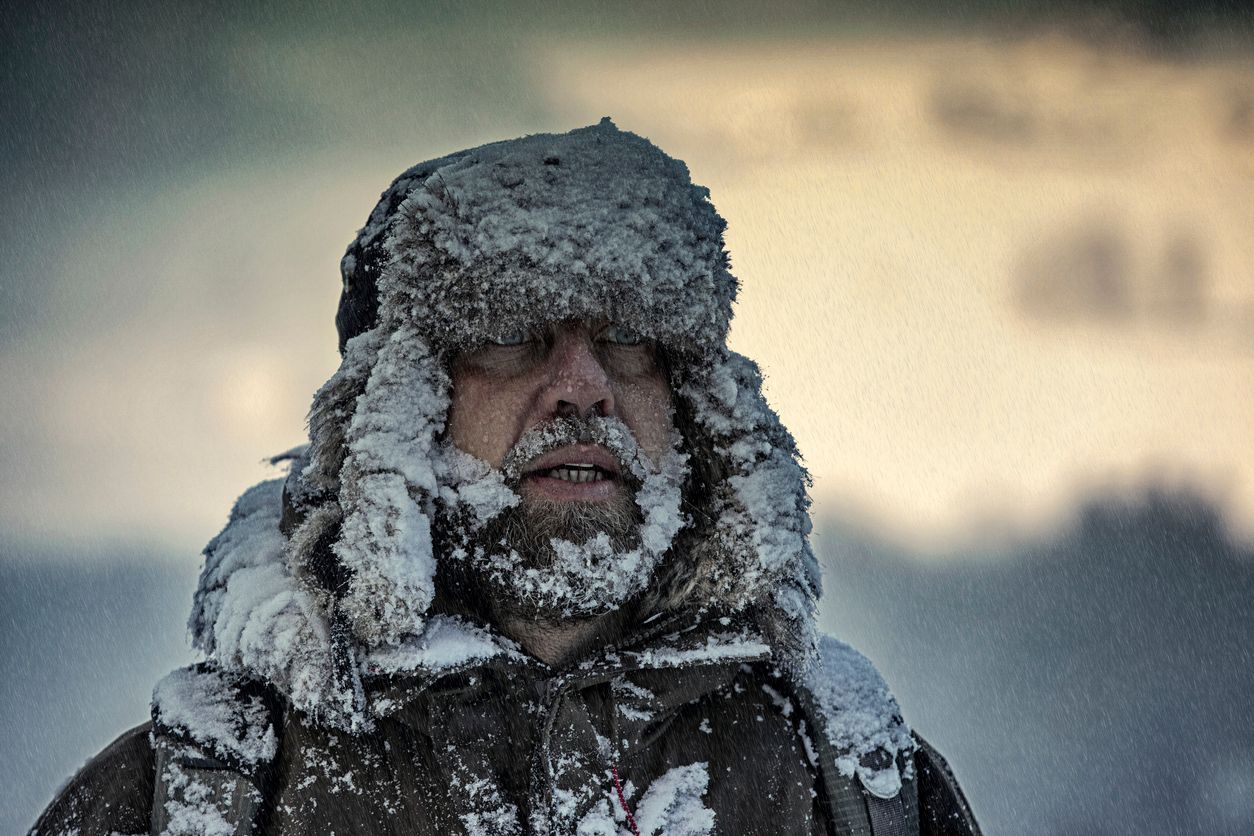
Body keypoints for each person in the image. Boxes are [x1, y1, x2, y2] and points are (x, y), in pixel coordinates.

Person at [33, 119, 980, 835]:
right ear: (395, 409)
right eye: (510, 333)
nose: (584, 386)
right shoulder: (200, 799)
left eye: (628, 337)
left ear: (694, 404)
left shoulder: (852, 788)